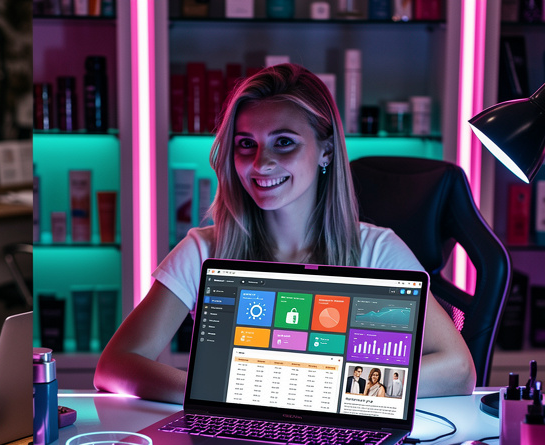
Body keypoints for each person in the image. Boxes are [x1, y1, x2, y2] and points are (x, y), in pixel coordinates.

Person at [94, 63, 475, 404]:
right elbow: (113, 366)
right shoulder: (202, 249)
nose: (261, 163)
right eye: (247, 144)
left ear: (326, 151)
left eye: (284, 142)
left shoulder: (377, 251)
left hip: (337, 440)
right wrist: (221, 389)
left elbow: (459, 371)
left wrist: (320, 388)